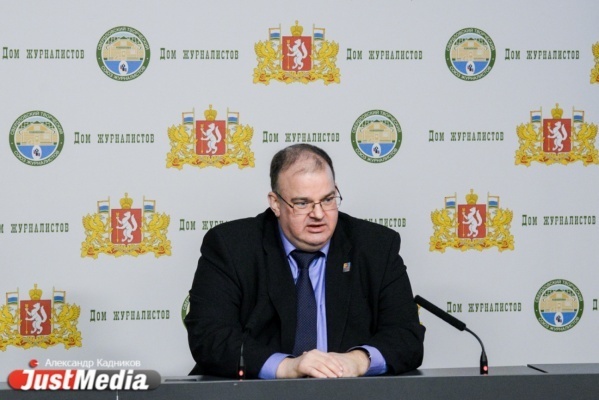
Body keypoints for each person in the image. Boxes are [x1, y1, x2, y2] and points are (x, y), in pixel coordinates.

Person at [185, 144, 425, 379]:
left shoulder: (376, 247)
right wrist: (287, 367)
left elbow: (406, 336)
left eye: (328, 200)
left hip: (347, 395)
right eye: (302, 203)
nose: (318, 214)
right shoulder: (231, 247)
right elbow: (209, 337)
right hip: (256, 395)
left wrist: (358, 360)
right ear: (276, 203)